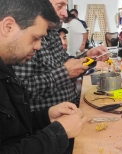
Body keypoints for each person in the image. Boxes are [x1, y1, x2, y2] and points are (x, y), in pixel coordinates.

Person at [0, 0, 87, 154]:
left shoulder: (6, 64)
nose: (38, 46)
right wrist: (57, 133)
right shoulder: (15, 55)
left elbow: (13, 127)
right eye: (35, 38)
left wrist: (45, 118)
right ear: (8, 27)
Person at [13, 0, 108, 112]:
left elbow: (65, 63)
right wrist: (65, 73)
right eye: (60, 6)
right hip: (48, 120)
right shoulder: (24, 37)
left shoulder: (53, 33)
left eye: (65, 6)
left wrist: (86, 56)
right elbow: (21, 90)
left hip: (72, 105)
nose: (65, 13)